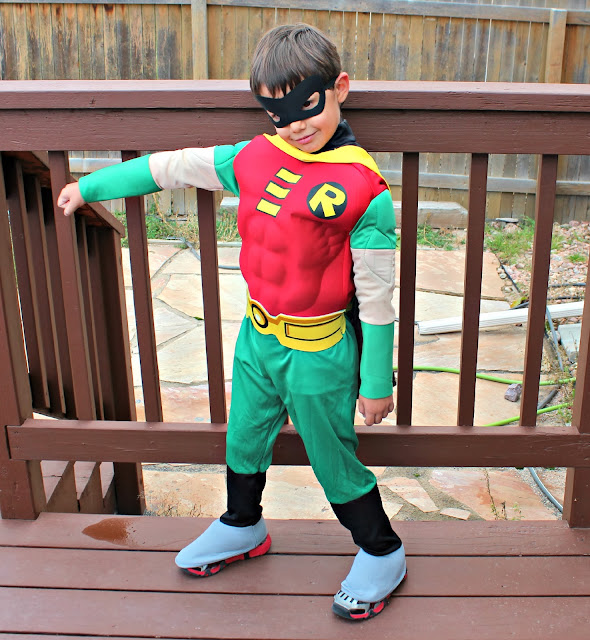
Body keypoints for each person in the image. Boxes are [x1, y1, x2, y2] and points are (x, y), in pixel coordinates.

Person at [57, 23, 406, 621]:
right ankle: (242, 524)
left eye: (308, 105)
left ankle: (382, 550)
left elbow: (377, 297)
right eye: (278, 114)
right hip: (257, 336)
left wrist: (375, 380)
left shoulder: (365, 187)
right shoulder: (253, 156)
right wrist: (90, 187)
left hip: (319, 349)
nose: (295, 124)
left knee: (331, 457)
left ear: (339, 88)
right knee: (243, 436)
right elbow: (169, 167)